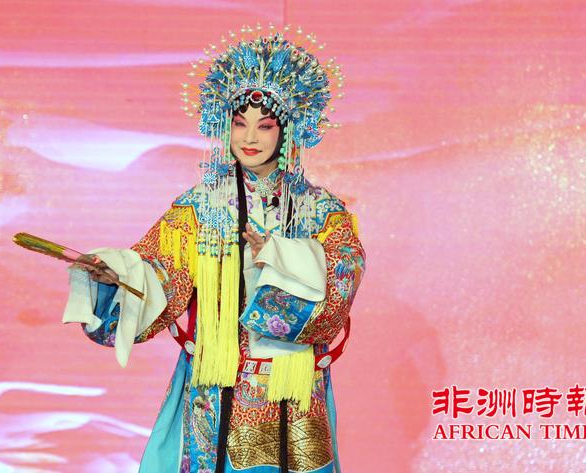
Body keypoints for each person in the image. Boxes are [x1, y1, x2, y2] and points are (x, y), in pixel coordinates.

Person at [62, 25, 366, 473]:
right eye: (239, 123)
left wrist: (281, 257)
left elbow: (345, 273)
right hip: (217, 382)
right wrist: (119, 277)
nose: (250, 137)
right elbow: (160, 270)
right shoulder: (200, 206)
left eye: (264, 126)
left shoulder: (320, 210)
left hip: (293, 385)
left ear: (287, 130)